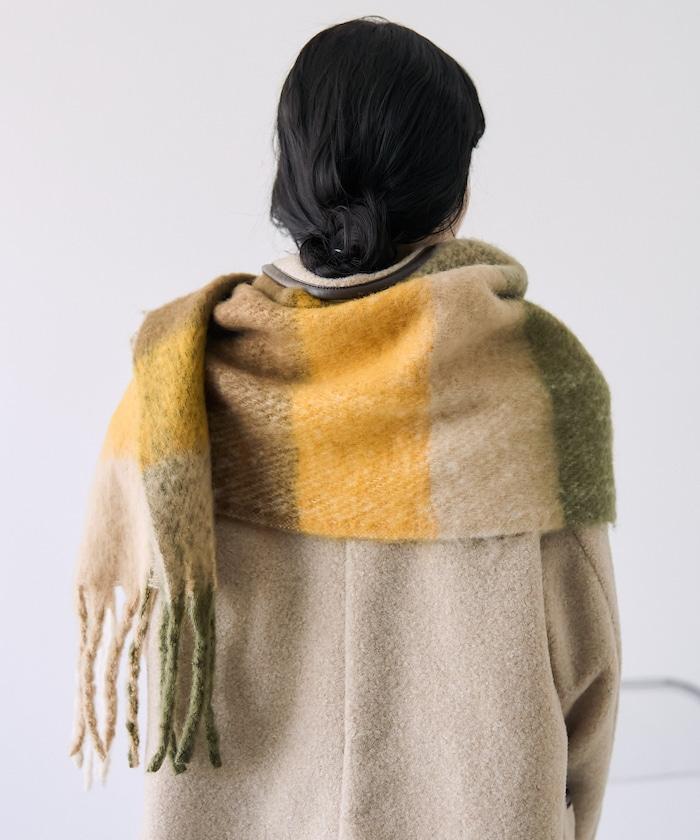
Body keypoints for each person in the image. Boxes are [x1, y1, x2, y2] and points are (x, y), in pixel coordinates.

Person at [69, 15, 621, 840]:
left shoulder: (181, 381)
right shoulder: (531, 379)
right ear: (454, 195)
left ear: (291, 173)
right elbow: (588, 663)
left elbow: (156, 628)